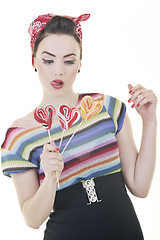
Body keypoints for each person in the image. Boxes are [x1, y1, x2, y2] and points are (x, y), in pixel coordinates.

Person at [1, 13, 157, 240]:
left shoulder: (107, 107)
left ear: (80, 62)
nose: (58, 71)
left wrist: (150, 120)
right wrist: (51, 177)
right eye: (48, 60)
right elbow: (32, 220)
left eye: (69, 60)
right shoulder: (20, 136)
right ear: (33, 60)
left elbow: (140, 187)